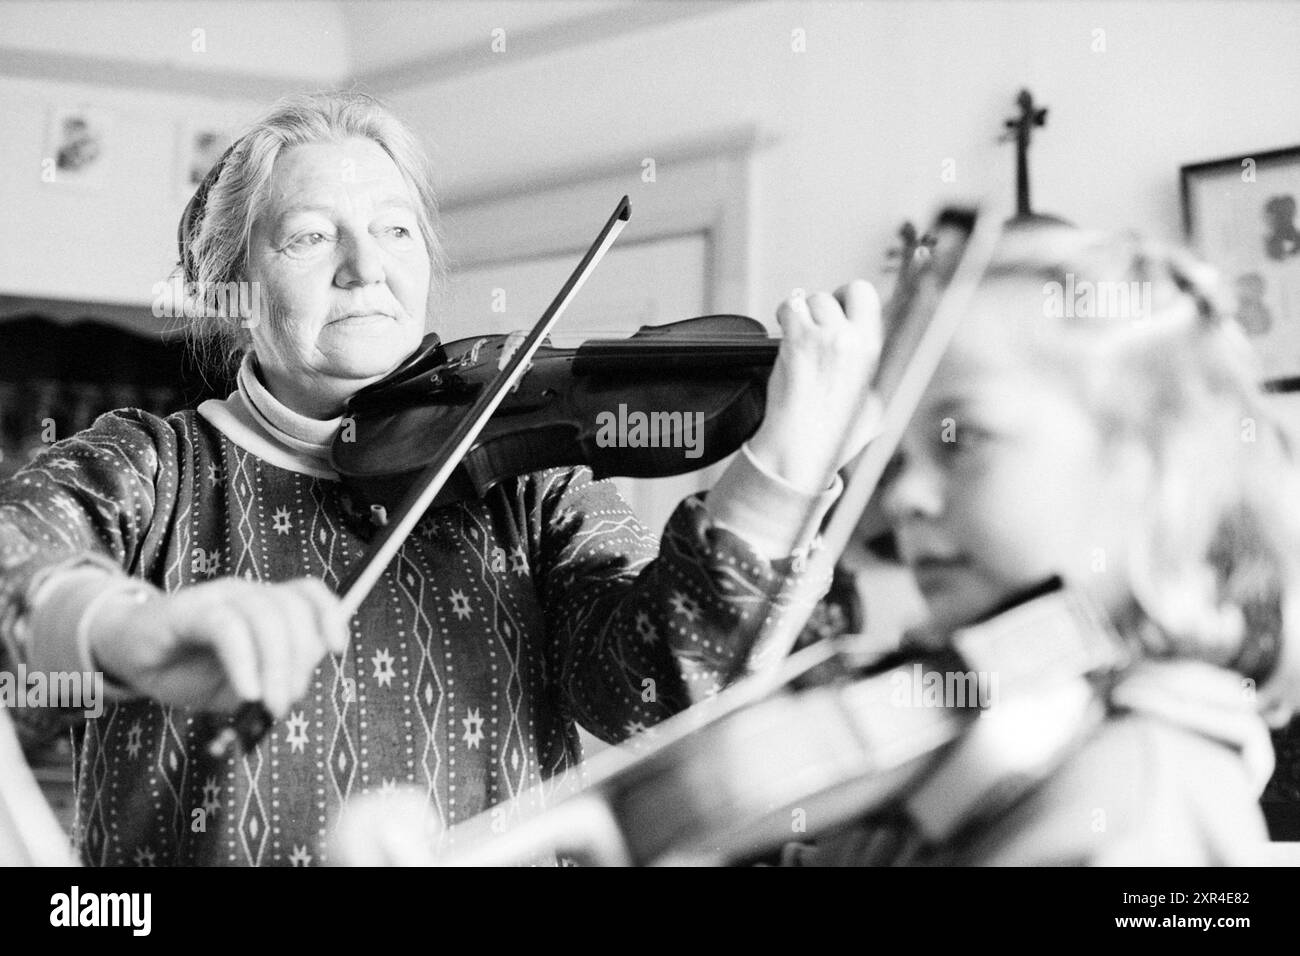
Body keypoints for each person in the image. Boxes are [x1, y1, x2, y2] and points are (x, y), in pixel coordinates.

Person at [0, 91, 882, 866]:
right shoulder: (150, 467)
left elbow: (654, 689)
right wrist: (131, 631)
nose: (365, 265)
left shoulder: (523, 484)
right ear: (230, 286)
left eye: (394, 228)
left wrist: (779, 478)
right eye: (310, 236)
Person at [784, 224, 1300, 865]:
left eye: (960, 438)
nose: (902, 499)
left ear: (1148, 464)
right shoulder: (993, 739)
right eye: (898, 459)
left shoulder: (1135, 805)